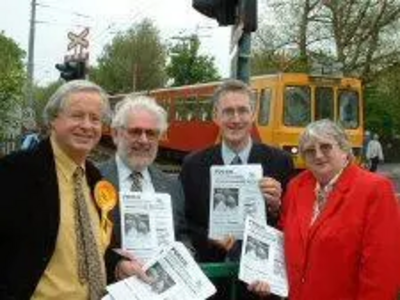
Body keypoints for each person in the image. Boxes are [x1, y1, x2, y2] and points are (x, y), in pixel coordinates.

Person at [179, 79, 294, 299]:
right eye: (228, 111)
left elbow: (293, 225)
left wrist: (277, 207)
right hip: (212, 282)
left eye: (243, 111)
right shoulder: (193, 164)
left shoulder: (280, 162)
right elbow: (186, 222)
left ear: (253, 114)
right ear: (216, 116)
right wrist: (211, 237)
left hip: (262, 286)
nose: (236, 119)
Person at [0, 80, 114, 299]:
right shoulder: (15, 173)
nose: (87, 126)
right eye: (77, 115)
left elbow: (92, 248)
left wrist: (118, 264)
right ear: (53, 119)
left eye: (95, 119)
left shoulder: (95, 178)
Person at [276, 119, 399, 300]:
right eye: (310, 151)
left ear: (344, 151)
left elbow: (381, 268)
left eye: (325, 147)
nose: (318, 155)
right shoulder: (296, 187)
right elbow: (282, 238)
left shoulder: (374, 189)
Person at [99, 95, 191, 281]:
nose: (143, 140)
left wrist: (186, 255)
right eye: (135, 132)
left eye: (151, 133)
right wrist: (115, 265)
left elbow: (181, 234)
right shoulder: (93, 179)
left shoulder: (172, 185)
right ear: (116, 134)